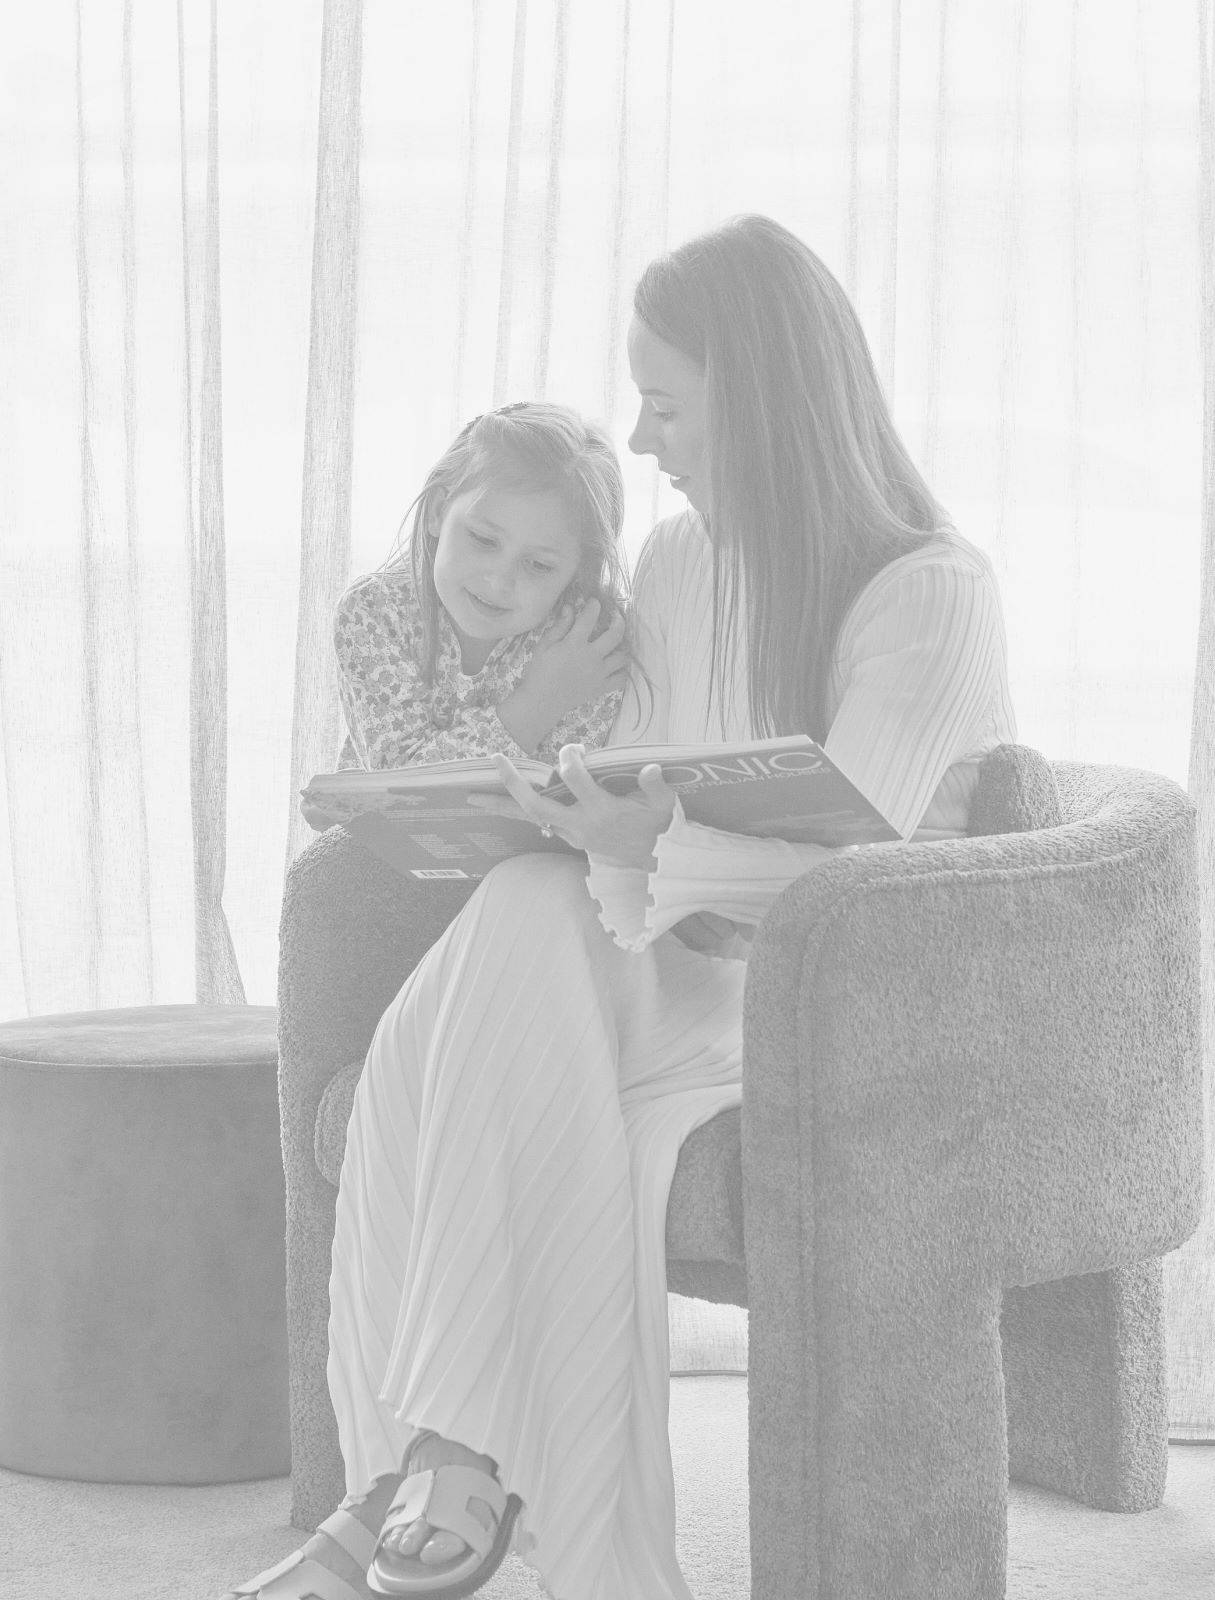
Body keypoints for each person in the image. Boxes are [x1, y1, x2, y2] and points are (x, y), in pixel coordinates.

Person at [224, 215, 1017, 1600]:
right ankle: (449, 1474)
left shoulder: (929, 593)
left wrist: (658, 847)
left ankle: (424, 1479)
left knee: (465, 1030)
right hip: (652, 950)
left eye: (665, 404)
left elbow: (878, 884)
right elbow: (631, 789)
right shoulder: (675, 563)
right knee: (517, 918)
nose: (642, 440)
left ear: (762, 401)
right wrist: (561, 813)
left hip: (829, 1012)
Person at [322, 400, 630, 799]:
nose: (499, 582)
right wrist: (538, 703)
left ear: (578, 572)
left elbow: (563, 803)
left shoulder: (585, 646)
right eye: (484, 540)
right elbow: (404, 787)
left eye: (538, 565)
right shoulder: (374, 615)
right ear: (437, 511)